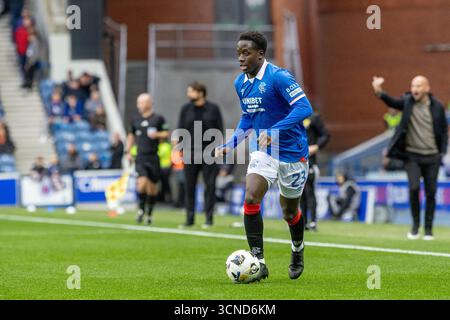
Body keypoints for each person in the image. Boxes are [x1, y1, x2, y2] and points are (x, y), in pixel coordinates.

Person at [215, 31, 312, 281]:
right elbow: (248, 116)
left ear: (260, 54)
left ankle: (297, 250)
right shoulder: (241, 83)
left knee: (289, 212)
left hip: (293, 155)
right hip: (264, 152)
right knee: (250, 197)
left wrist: (274, 130)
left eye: (245, 53)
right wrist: (231, 143)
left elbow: (304, 107)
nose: (240, 58)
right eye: (238, 53)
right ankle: (258, 261)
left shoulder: (278, 77)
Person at [372, 75, 448, 240]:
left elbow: (443, 130)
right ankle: (415, 226)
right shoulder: (407, 101)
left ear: (427, 88)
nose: (415, 89)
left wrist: (442, 151)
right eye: (413, 85)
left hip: (432, 157)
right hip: (412, 156)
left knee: (431, 192)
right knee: (414, 189)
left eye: (419, 86)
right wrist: (379, 91)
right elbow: (392, 102)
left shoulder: (438, 106)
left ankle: (428, 230)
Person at [176, 81, 223, 228]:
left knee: (210, 186)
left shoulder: (213, 108)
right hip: (190, 152)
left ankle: (209, 219)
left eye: (191, 91)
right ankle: (189, 219)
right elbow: (180, 129)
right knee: (189, 186)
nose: (188, 94)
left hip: (209, 152)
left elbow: (219, 129)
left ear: (200, 92)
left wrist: (218, 149)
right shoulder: (185, 109)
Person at [126, 93, 169, 225]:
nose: (139, 105)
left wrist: (157, 134)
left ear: (149, 103)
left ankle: (149, 214)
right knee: (142, 183)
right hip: (140, 156)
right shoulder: (135, 120)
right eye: (138, 103)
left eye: (141, 102)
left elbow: (167, 133)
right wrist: (127, 151)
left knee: (152, 188)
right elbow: (131, 136)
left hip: (153, 157)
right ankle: (140, 210)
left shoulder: (158, 119)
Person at [300, 111, 330, 232]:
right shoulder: (291, 115)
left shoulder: (313, 117)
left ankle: (312, 221)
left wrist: (316, 146)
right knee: (299, 193)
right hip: (295, 161)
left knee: (309, 190)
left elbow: (325, 135)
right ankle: (302, 221)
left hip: (310, 161)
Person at [157, 138, 173, 203]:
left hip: (166, 167)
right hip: (159, 167)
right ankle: (161, 198)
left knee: (165, 183)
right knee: (160, 183)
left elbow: (160, 154)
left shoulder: (167, 146)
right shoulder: (158, 145)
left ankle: (168, 198)